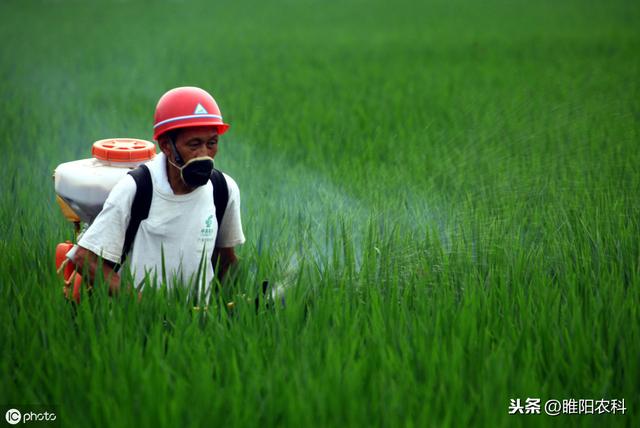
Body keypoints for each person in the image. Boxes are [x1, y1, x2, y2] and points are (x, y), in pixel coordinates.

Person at [68, 87, 245, 299]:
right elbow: (83, 258)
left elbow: (226, 261)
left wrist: (243, 302)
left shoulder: (223, 189)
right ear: (166, 146)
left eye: (212, 143)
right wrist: (143, 305)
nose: (205, 154)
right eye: (194, 144)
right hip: (137, 324)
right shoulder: (137, 188)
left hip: (197, 323)